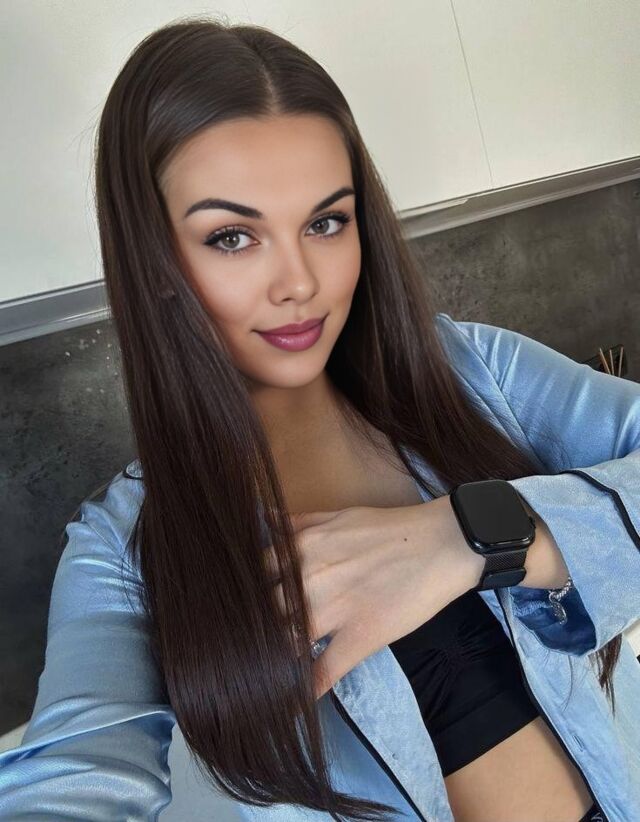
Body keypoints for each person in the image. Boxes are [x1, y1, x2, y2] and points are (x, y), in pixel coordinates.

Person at [1, 16, 638, 822]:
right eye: (232, 237)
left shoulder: (475, 374)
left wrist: (469, 539)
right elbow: (70, 783)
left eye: (326, 222)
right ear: (155, 258)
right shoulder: (124, 548)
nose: (298, 282)